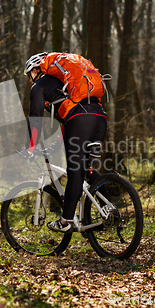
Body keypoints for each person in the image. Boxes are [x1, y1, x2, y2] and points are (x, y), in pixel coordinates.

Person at [22, 52, 108, 232]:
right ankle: (108, 209)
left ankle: (66, 220)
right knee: (86, 169)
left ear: (36, 70)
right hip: (99, 118)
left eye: (30, 73)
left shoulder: (39, 86)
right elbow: (68, 120)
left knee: (74, 171)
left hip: (81, 119)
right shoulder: (65, 85)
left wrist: (31, 148)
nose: (30, 79)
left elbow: (36, 118)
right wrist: (56, 145)